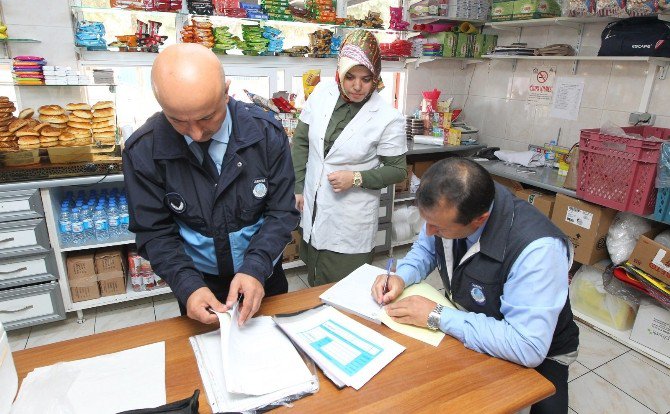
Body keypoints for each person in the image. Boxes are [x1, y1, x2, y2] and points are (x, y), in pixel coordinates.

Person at [372, 158, 579, 414]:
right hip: (474, 322)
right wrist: (401, 276)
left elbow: (528, 346)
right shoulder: (455, 209)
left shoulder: (538, 251)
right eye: (427, 221)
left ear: (479, 220)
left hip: (542, 353)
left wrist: (437, 315)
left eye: (439, 227)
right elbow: (426, 248)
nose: (429, 231)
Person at [123, 43, 299, 326]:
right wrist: (187, 285)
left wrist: (255, 268)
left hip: (263, 273)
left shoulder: (265, 134)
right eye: (178, 121)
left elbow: (281, 213)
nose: (195, 133)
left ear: (226, 91)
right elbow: (154, 233)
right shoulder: (144, 150)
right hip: (198, 283)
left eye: (207, 117)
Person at [292, 30, 407, 286]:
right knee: (313, 277)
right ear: (340, 72)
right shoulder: (322, 92)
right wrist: (298, 186)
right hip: (314, 206)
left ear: (376, 76)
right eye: (350, 77)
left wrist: (356, 178)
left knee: (342, 287)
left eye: (366, 79)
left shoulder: (387, 117)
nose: (357, 86)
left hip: (349, 218)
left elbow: (397, 171)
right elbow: (301, 141)